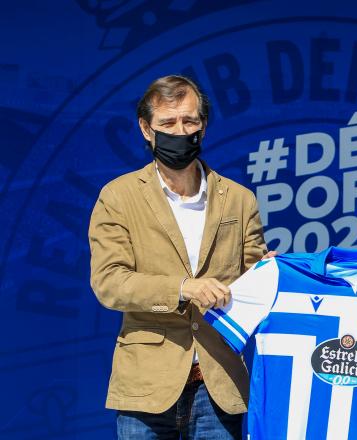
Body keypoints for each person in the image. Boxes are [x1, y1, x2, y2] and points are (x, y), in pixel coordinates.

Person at [88, 75, 267, 439]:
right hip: (147, 387)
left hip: (219, 384)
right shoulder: (118, 197)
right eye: (167, 123)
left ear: (203, 126)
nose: (180, 131)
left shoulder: (238, 198)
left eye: (189, 121)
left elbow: (255, 280)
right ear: (146, 129)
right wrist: (184, 288)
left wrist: (272, 272)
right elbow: (109, 283)